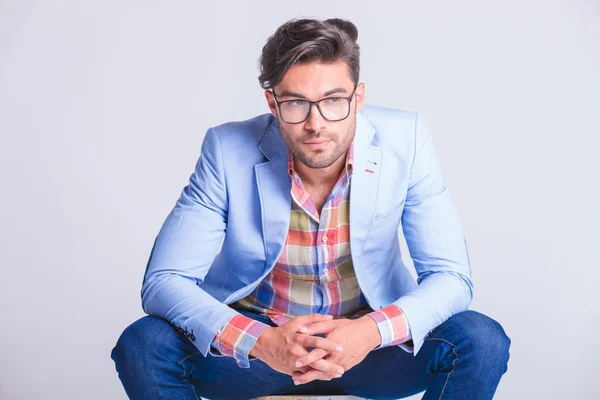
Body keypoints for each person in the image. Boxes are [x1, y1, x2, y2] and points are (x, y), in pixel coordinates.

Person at [111, 17, 511, 400]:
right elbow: (164, 282)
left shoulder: (406, 139)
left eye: (334, 100)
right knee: (144, 344)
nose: (316, 123)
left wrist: (369, 332)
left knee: (481, 341)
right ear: (272, 101)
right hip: (256, 354)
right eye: (297, 103)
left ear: (360, 96)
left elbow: (451, 277)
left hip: (369, 349)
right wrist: (262, 341)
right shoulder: (226, 148)